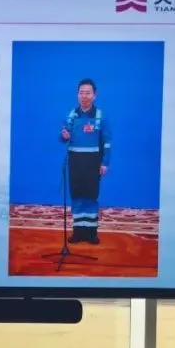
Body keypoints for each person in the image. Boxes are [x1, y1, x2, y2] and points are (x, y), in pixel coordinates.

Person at [60, 78, 112, 244]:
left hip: (93, 162)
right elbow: (62, 135)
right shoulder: (72, 115)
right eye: (81, 93)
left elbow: (107, 142)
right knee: (77, 195)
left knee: (90, 196)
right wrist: (64, 135)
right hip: (75, 161)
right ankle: (78, 232)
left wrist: (105, 163)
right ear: (77, 95)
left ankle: (91, 232)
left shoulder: (100, 116)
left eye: (88, 93)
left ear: (94, 95)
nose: (84, 96)